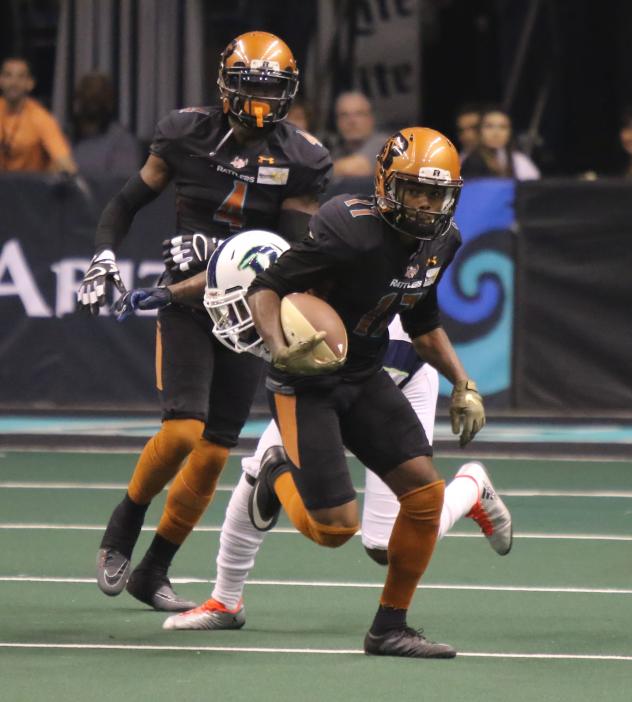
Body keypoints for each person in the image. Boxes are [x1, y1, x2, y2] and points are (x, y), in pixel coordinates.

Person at [76, 31, 332, 612]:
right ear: (226, 85)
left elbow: (292, 254)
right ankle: (124, 522)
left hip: (251, 307)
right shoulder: (186, 133)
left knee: (215, 451)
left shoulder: (302, 158)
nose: (262, 103)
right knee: (184, 431)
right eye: (252, 88)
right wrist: (105, 254)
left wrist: (216, 253)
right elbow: (123, 205)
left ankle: (154, 570)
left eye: (273, 90)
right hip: (189, 305)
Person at [144, 231, 512, 635]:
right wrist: (174, 292)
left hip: (392, 379)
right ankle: (225, 600)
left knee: (385, 546)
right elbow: (257, 276)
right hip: (327, 375)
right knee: (258, 469)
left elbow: (409, 339)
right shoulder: (301, 279)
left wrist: (461, 382)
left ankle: (470, 489)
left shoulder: (330, 305)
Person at [0, 56, 77, 173]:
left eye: (20, 77)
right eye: (8, 75)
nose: (13, 82)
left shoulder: (41, 118)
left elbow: (66, 164)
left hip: (28, 186)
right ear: (1, 80)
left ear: (30, 84)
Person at [70, 72, 142, 177]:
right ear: (77, 99)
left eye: (96, 96)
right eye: (86, 94)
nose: (90, 99)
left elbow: (120, 187)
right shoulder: (62, 136)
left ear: (110, 102)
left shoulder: (122, 141)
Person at [461, 107, 540, 180]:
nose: (496, 133)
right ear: (479, 131)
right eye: (489, 126)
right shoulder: (469, 161)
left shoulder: (518, 160)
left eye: (503, 127)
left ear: (510, 132)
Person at [328, 91, 390, 177]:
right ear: (337, 122)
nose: (351, 121)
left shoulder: (384, 144)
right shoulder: (338, 150)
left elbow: (354, 168)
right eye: (344, 115)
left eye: (359, 114)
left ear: (371, 119)